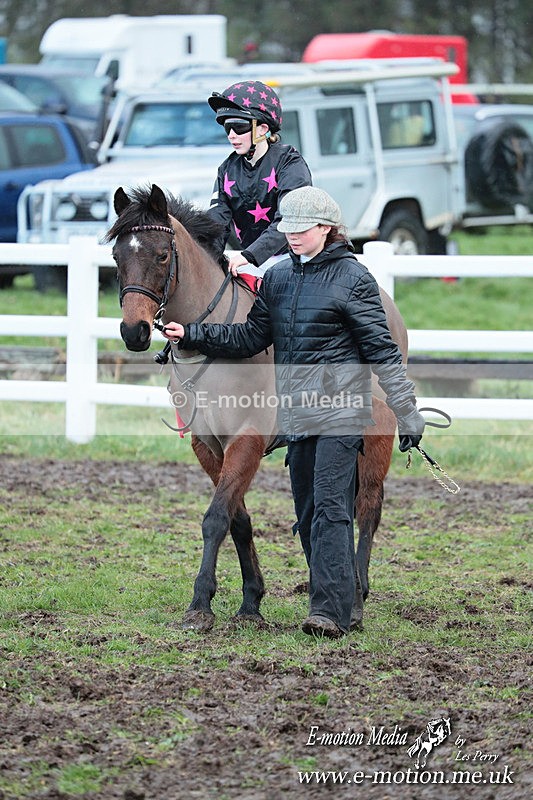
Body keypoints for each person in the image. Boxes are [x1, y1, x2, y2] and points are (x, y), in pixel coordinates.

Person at [162, 186, 426, 639]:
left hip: (341, 409)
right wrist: (192, 334)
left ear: (327, 228)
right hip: (297, 412)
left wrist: (406, 409)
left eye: (303, 229)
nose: (293, 236)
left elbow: (382, 350)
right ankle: (340, 596)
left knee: (330, 507)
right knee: (307, 512)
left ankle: (330, 611)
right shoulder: (280, 277)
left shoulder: (354, 279)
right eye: (288, 229)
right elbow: (250, 337)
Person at [206, 80, 312, 288]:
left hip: (293, 260)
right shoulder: (226, 169)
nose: (231, 135)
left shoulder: (290, 163)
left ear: (263, 128)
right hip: (249, 261)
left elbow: (289, 219)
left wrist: (250, 255)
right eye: (227, 127)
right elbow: (216, 222)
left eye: (239, 127)